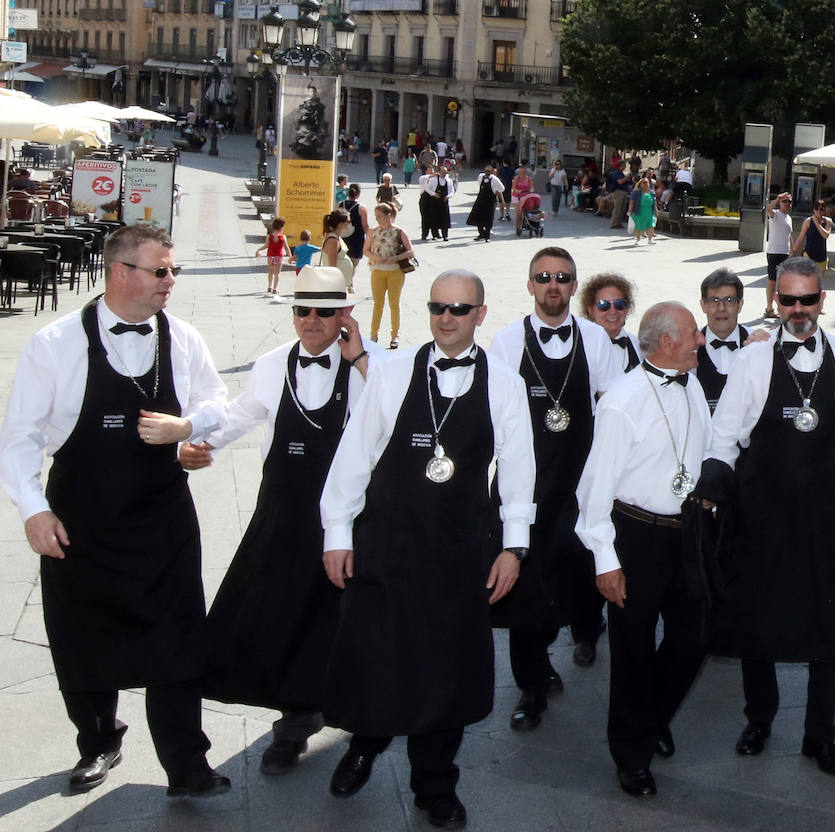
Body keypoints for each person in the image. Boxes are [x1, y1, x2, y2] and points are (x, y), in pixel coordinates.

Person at [0, 224, 231, 797]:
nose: (170, 280)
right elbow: (19, 439)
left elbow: (214, 401)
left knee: (178, 640)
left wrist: (188, 429)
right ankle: (98, 741)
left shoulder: (182, 337)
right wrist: (34, 510)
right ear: (121, 273)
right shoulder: (55, 345)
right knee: (81, 639)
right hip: (82, 521)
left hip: (163, 520)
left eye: (172, 269)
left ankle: (186, 762)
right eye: (161, 270)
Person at [319, 271, 535, 830]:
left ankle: (435, 785)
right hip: (387, 543)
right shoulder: (389, 375)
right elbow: (354, 457)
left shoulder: (504, 385)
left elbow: (518, 474)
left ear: (480, 316)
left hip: (462, 552)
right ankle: (364, 744)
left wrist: (514, 548)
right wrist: (337, 533)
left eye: (459, 310)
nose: (446, 318)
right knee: (377, 654)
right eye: (438, 306)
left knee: (446, 670)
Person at [699, 256, 835, 777]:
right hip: (762, 516)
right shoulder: (752, 361)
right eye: (789, 300)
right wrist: (712, 496)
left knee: (829, 626)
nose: (799, 309)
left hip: (829, 514)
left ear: (822, 301)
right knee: (757, 622)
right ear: (774, 300)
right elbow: (724, 437)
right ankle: (758, 721)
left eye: (808, 300)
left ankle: (818, 737)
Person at [180, 266, 375, 776]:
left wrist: (361, 362)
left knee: (343, 619)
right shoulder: (270, 364)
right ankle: (293, 719)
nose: (312, 321)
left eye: (325, 311)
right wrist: (198, 444)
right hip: (284, 513)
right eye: (302, 309)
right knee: (280, 612)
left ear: (345, 315)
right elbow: (242, 413)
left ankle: (349, 712)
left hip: (349, 516)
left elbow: (396, 414)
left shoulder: (371, 364)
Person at [574, 302, 712, 798]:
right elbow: (593, 491)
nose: (701, 341)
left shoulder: (691, 380)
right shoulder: (621, 401)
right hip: (634, 535)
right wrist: (606, 562)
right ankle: (631, 754)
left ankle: (649, 716)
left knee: (693, 639)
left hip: (686, 532)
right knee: (631, 650)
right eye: (694, 334)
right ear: (668, 342)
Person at [487, 248, 621, 730]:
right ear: (529, 285)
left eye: (563, 278)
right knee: (524, 590)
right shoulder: (504, 344)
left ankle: (584, 634)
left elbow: (611, 406)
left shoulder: (594, 339)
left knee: (579, 577)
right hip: (524, 489)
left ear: (572, 285)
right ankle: (531, 683)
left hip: (578, 487)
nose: (553, 285)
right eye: (543, 276)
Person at [693, 268, 767, 413]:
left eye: (729, 300)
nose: (721, 308)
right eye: (714, 300)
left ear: (740, 305)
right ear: (703, 305)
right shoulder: (690, 348)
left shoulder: (759, 344)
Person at [363, 202, 413, 350]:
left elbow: (410, 251)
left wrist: (396, 258)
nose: (377, 219)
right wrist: (375, 257)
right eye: (376, 216)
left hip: (395, 271)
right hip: (377, 270)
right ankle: (374, 334)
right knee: (378, 304)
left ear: (388, 215)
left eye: (380, 216)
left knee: (394, 303)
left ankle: (395, 335)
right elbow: (365, 250)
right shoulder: (373, 231)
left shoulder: (399, 231)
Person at [580, 272, 640, 373]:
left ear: (627, 308)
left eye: (619, 304)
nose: (613, 311)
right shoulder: (580, 346)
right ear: (590, 310)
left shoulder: (640, 347)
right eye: (604, 305)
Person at [763, 193, 793, 318]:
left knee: (783, 283)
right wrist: (776, 199)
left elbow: (789, 235)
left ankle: (781, 307)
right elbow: (768, 209)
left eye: (789, 202)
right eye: (784, 201)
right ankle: (769, 309)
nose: (787, 204)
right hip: (774, 252)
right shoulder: (775, 214)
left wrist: (793, 250)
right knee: (772, 281)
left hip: (785, 254)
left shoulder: (788, 218)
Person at [790, 201, 834, 271]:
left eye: (822, 209)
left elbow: (825, 235)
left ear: (825, 210)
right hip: (809, 254)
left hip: (822, 256)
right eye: (817, 209)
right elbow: (801, 238)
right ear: (814, 210)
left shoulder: (828, 221)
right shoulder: (808, 221)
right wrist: (794, 252)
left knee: (818, 280)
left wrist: (817, 224)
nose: (819, 211)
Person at [465, 165, 502, 242]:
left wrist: (497, 191)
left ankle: (487, 236)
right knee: (478, 217)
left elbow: (502, 188)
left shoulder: (495, 179)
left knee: (488, 218)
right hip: (481, 199)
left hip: (490, 201)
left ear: (491, 172)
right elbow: (479, 184)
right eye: (485, 171)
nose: (486, 173)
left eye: (488, 171)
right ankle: (481, 233)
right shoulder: (481, 176)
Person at [320, 209, 355, 290]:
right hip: (336, 285)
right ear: (340, 224)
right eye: (348, 222)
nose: (350, 224)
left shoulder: (337, 237)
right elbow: (332, 267)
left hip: (343, 283)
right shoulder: (333, 240)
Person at [255, 216, 289, 297]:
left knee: (271, 272)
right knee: (277, 273)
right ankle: (275, 288)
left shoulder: (269, 237)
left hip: (270, 256)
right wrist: (290, 256)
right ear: (281, 228)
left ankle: (269, 286)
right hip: (279, 257)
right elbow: (286, 248)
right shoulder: (283, 237)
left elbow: (266, 245)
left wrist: (258, 250)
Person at [342, 183, 369, 272]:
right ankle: (349, 283)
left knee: (342, 261)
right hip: (357, 238)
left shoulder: (341, 204)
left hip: (343, 237)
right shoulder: (361, 207)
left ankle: (347, 283)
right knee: (353, 264)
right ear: (358, 193)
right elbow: (365, 226)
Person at [629, 177, 657, 245]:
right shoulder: (636, 192)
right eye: (644, 182)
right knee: (639, 226)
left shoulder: (652, 193)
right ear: (640, 184)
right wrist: (630, 211)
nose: (646, 184)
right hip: (639, 211)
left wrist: (656, 211)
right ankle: (638, 240)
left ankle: (650, 239)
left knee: (651, 225)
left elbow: (654, 203)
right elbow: (632, 202)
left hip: (649, 212)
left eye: (647, 182)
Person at [607, 160, 631, 229]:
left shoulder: (622, 174)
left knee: (622, 208)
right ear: (620, 166)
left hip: (624, 192)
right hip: (618, 192)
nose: (625, 167)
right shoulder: (615, 174)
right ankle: (614, 223)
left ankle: (619, 223)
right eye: (624, 165)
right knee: (617, 208)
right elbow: (620, 182)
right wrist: (627, 177)